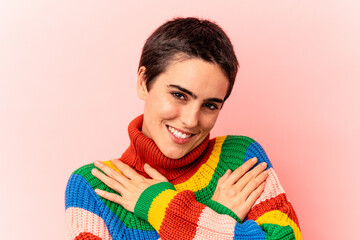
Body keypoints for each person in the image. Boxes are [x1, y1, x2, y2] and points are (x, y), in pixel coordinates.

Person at [65, 17, 302, 240]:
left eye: (210, 105)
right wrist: (219, 214)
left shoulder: (239, 159)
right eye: (179, 95)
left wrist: (159, 205)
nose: (191, 120)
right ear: (143, 83)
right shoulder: (92, 186)